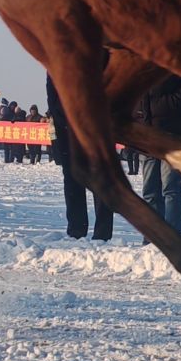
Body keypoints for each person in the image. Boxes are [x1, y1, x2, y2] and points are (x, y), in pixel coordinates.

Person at [132, 76, 181, 233]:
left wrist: (172, 103)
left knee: (171, 190)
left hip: (174, 136)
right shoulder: (142, 56)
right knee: (150, 192)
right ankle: (153, 238)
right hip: (146, 134)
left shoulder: (176, 56)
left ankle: (172, 238)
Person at [47, 77, 112, 240]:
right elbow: (52, 103)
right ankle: (76, 228)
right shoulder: (55, 66)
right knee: (72, 182)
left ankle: (102, 232)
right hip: (66, 131)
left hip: (94, 130)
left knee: (100, 181)